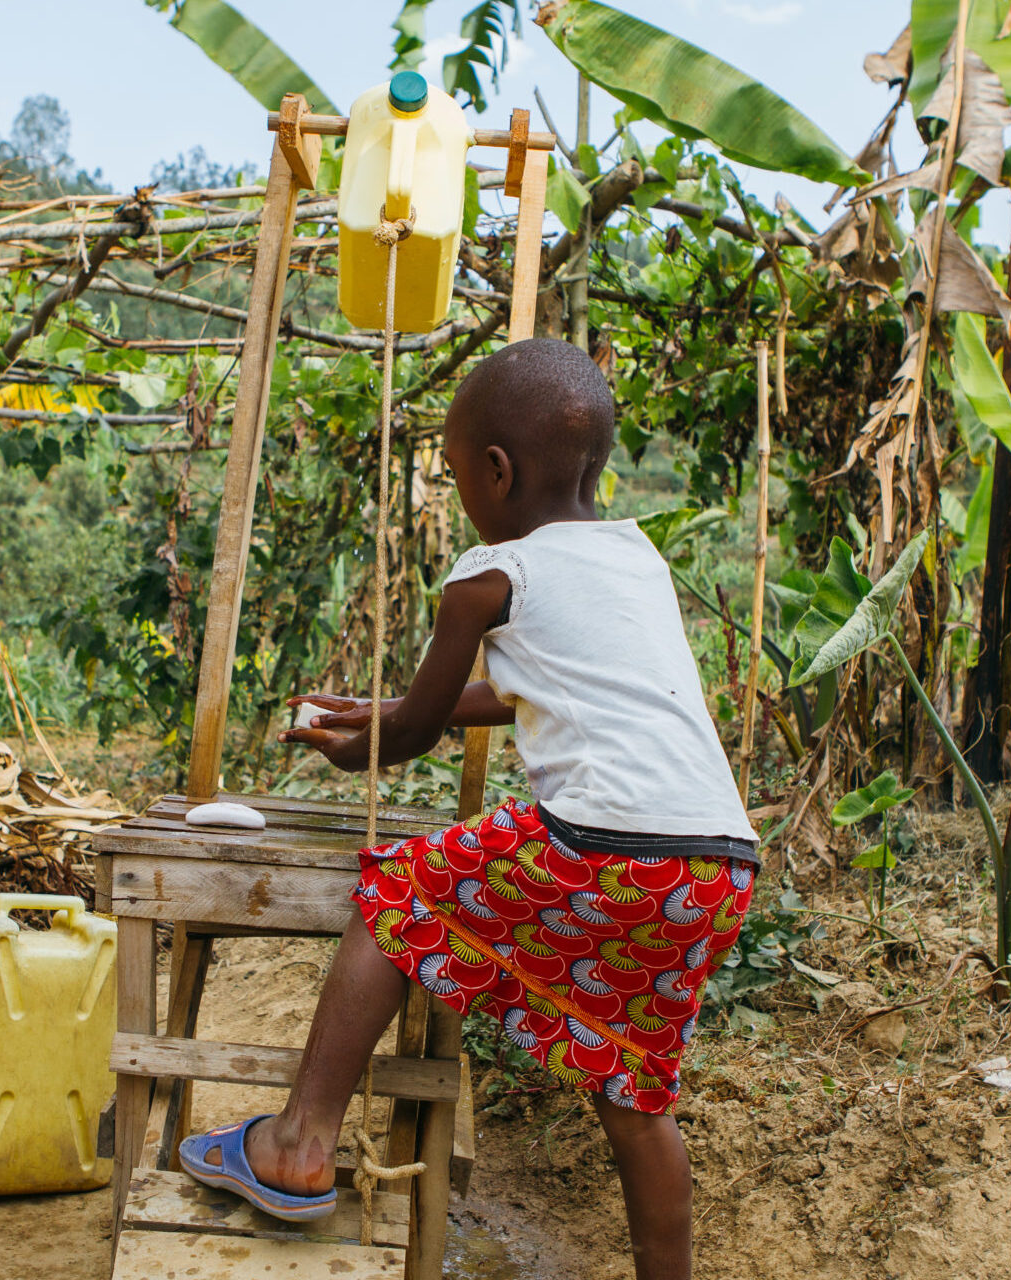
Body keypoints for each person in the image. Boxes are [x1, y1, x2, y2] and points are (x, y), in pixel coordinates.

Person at [174, 338, 758, 1280]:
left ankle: (297, 1143)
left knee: (397, 898)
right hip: (713, 867)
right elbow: (560, 689)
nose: (460, 495)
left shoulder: (490, 573)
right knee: (636, 1090)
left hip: (603, 843)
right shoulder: (636, 559)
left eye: (456, 475)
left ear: (496, 470)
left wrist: (363, 733)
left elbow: (413, 732)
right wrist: (394, 711)